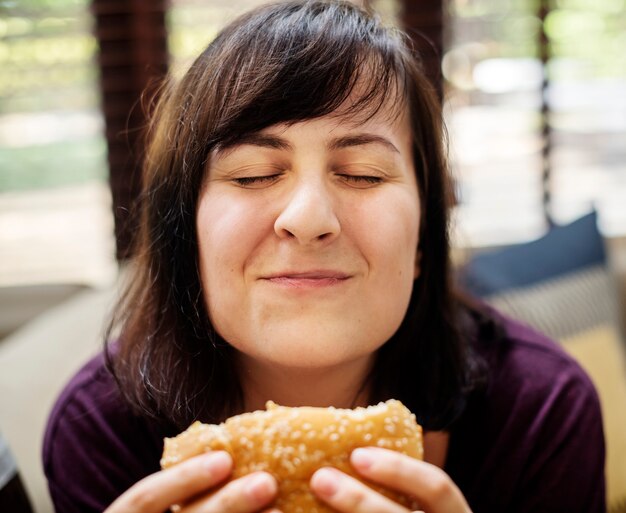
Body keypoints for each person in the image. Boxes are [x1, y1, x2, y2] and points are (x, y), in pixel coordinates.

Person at [43, 1, 606, 512]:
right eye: (253, 174)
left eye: (362, 174)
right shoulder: (99, 431)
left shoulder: (542, 412)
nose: (309, 219)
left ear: (420, 241)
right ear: (185, 235)